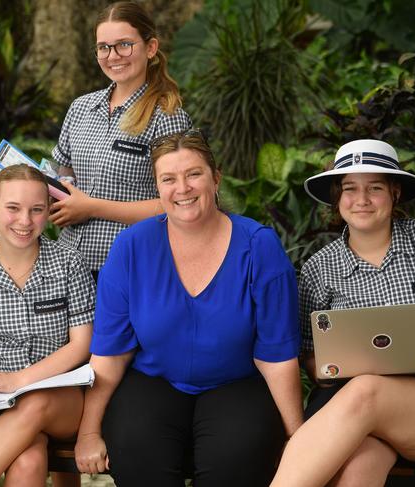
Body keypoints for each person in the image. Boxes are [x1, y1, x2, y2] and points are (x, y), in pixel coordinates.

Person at [74, 129, 303, 487]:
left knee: (236, 462)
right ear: (158, 186)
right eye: (169, 179)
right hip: (153, 381)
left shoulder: (259, 246)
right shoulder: (130, 247)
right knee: (137, 454)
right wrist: (88, 432)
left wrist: (297, 437)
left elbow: (276, 356)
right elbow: (109, 354)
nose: (182, 188)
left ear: (215, 178)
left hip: (237, 384)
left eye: (194, 174)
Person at [271, 139, 415, 487]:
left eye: (374, 188)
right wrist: (335, 367)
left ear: (394, 192)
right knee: (359, 470)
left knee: (367, 390)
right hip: (349, 404)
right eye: (350, 189)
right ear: (337, 197)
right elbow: (310, 358)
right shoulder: (319, 268)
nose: (361, 200)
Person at [0, 164, 95, 487]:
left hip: (63, 400)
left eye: (37, 210)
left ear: (48, 211)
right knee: (28, 462)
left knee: (36, 400)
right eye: (13, 208)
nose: (25, 221)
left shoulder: (69, 263)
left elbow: (82, 345)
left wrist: (17, 380)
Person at [49, 0, 192, 280]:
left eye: (124, 44)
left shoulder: (167, 118)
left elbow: (179, 202)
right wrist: (52, 190)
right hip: (69, 266)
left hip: (131, 268)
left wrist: (90, 207)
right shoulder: (80, 108)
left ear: (150, 48)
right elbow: (63, 174)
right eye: (104, 47)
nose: (113, 55)